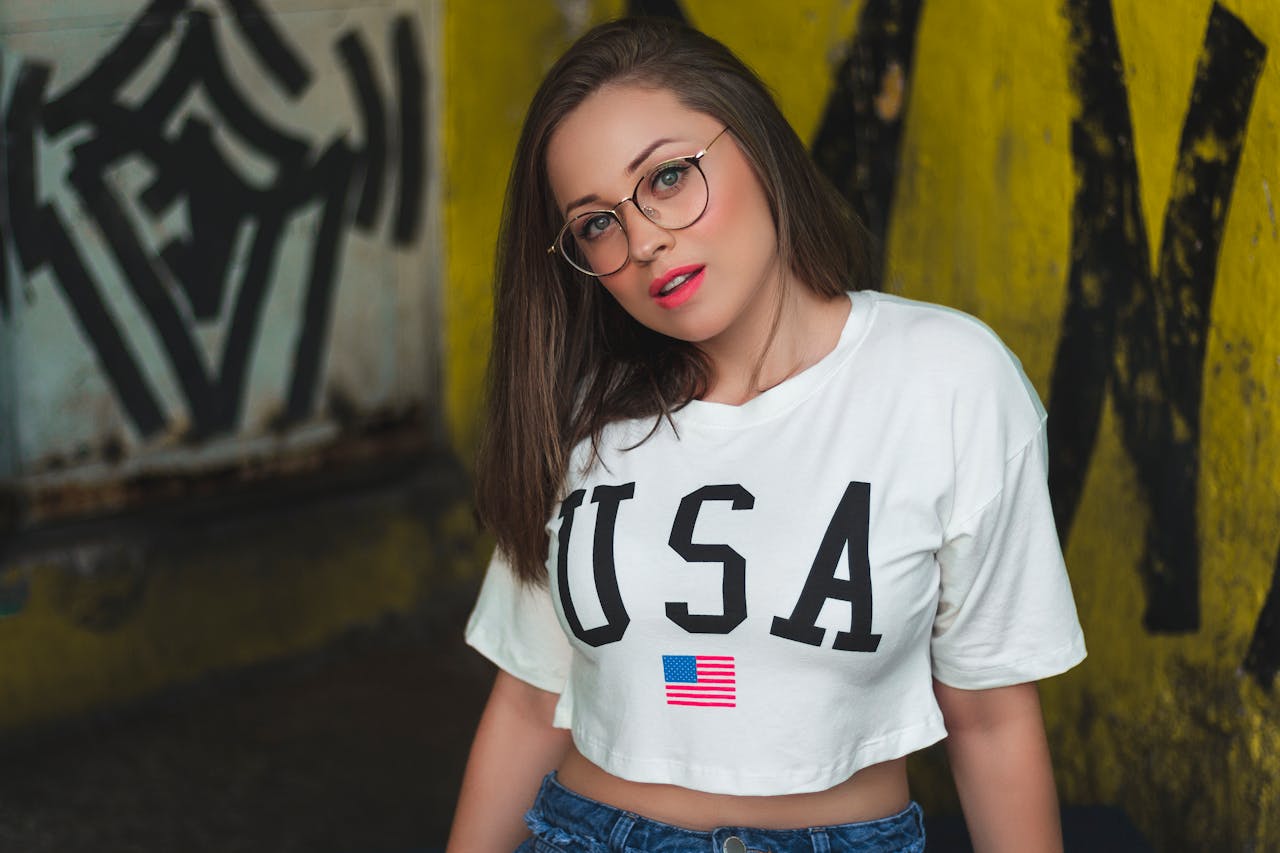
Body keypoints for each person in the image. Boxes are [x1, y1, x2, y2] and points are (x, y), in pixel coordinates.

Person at [447, 16, 1086, 853]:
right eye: (596, 223)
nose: (643, 239)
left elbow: (992, 720)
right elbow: (531, 700)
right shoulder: (581, 412)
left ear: (756, 142)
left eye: (669, 176)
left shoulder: (948, 380)